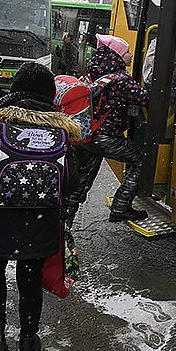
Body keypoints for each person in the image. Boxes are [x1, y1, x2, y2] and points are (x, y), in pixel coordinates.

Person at [0, 62, 81, 351]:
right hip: (40, 222)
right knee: (29, 280)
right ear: (50, 96)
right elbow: (73, 183)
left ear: (13, 91)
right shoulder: (61, 135)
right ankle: (28, 343)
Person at [65, 34, 150, 223]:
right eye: (127, 52)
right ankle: (121, 205)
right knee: (141, 160)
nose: (130, 55)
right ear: (117, 56)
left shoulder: (92, 73)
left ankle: (63, 225)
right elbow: (146, 98)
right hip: (105, 137)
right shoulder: (120, 80)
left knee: (80, 183)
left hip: (85, 134)